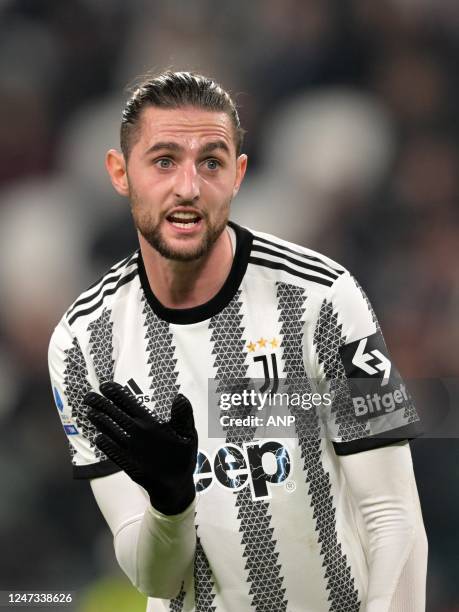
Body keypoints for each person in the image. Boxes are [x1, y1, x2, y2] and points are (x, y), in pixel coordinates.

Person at [48, 71, 427, 612]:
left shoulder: (324, 299)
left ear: (238, 174)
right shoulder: (83, 342)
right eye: (163, 161)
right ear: (119, 172)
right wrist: (169, 503)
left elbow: (394, 517)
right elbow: (153, 578)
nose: (188, 187)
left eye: (211, 161)